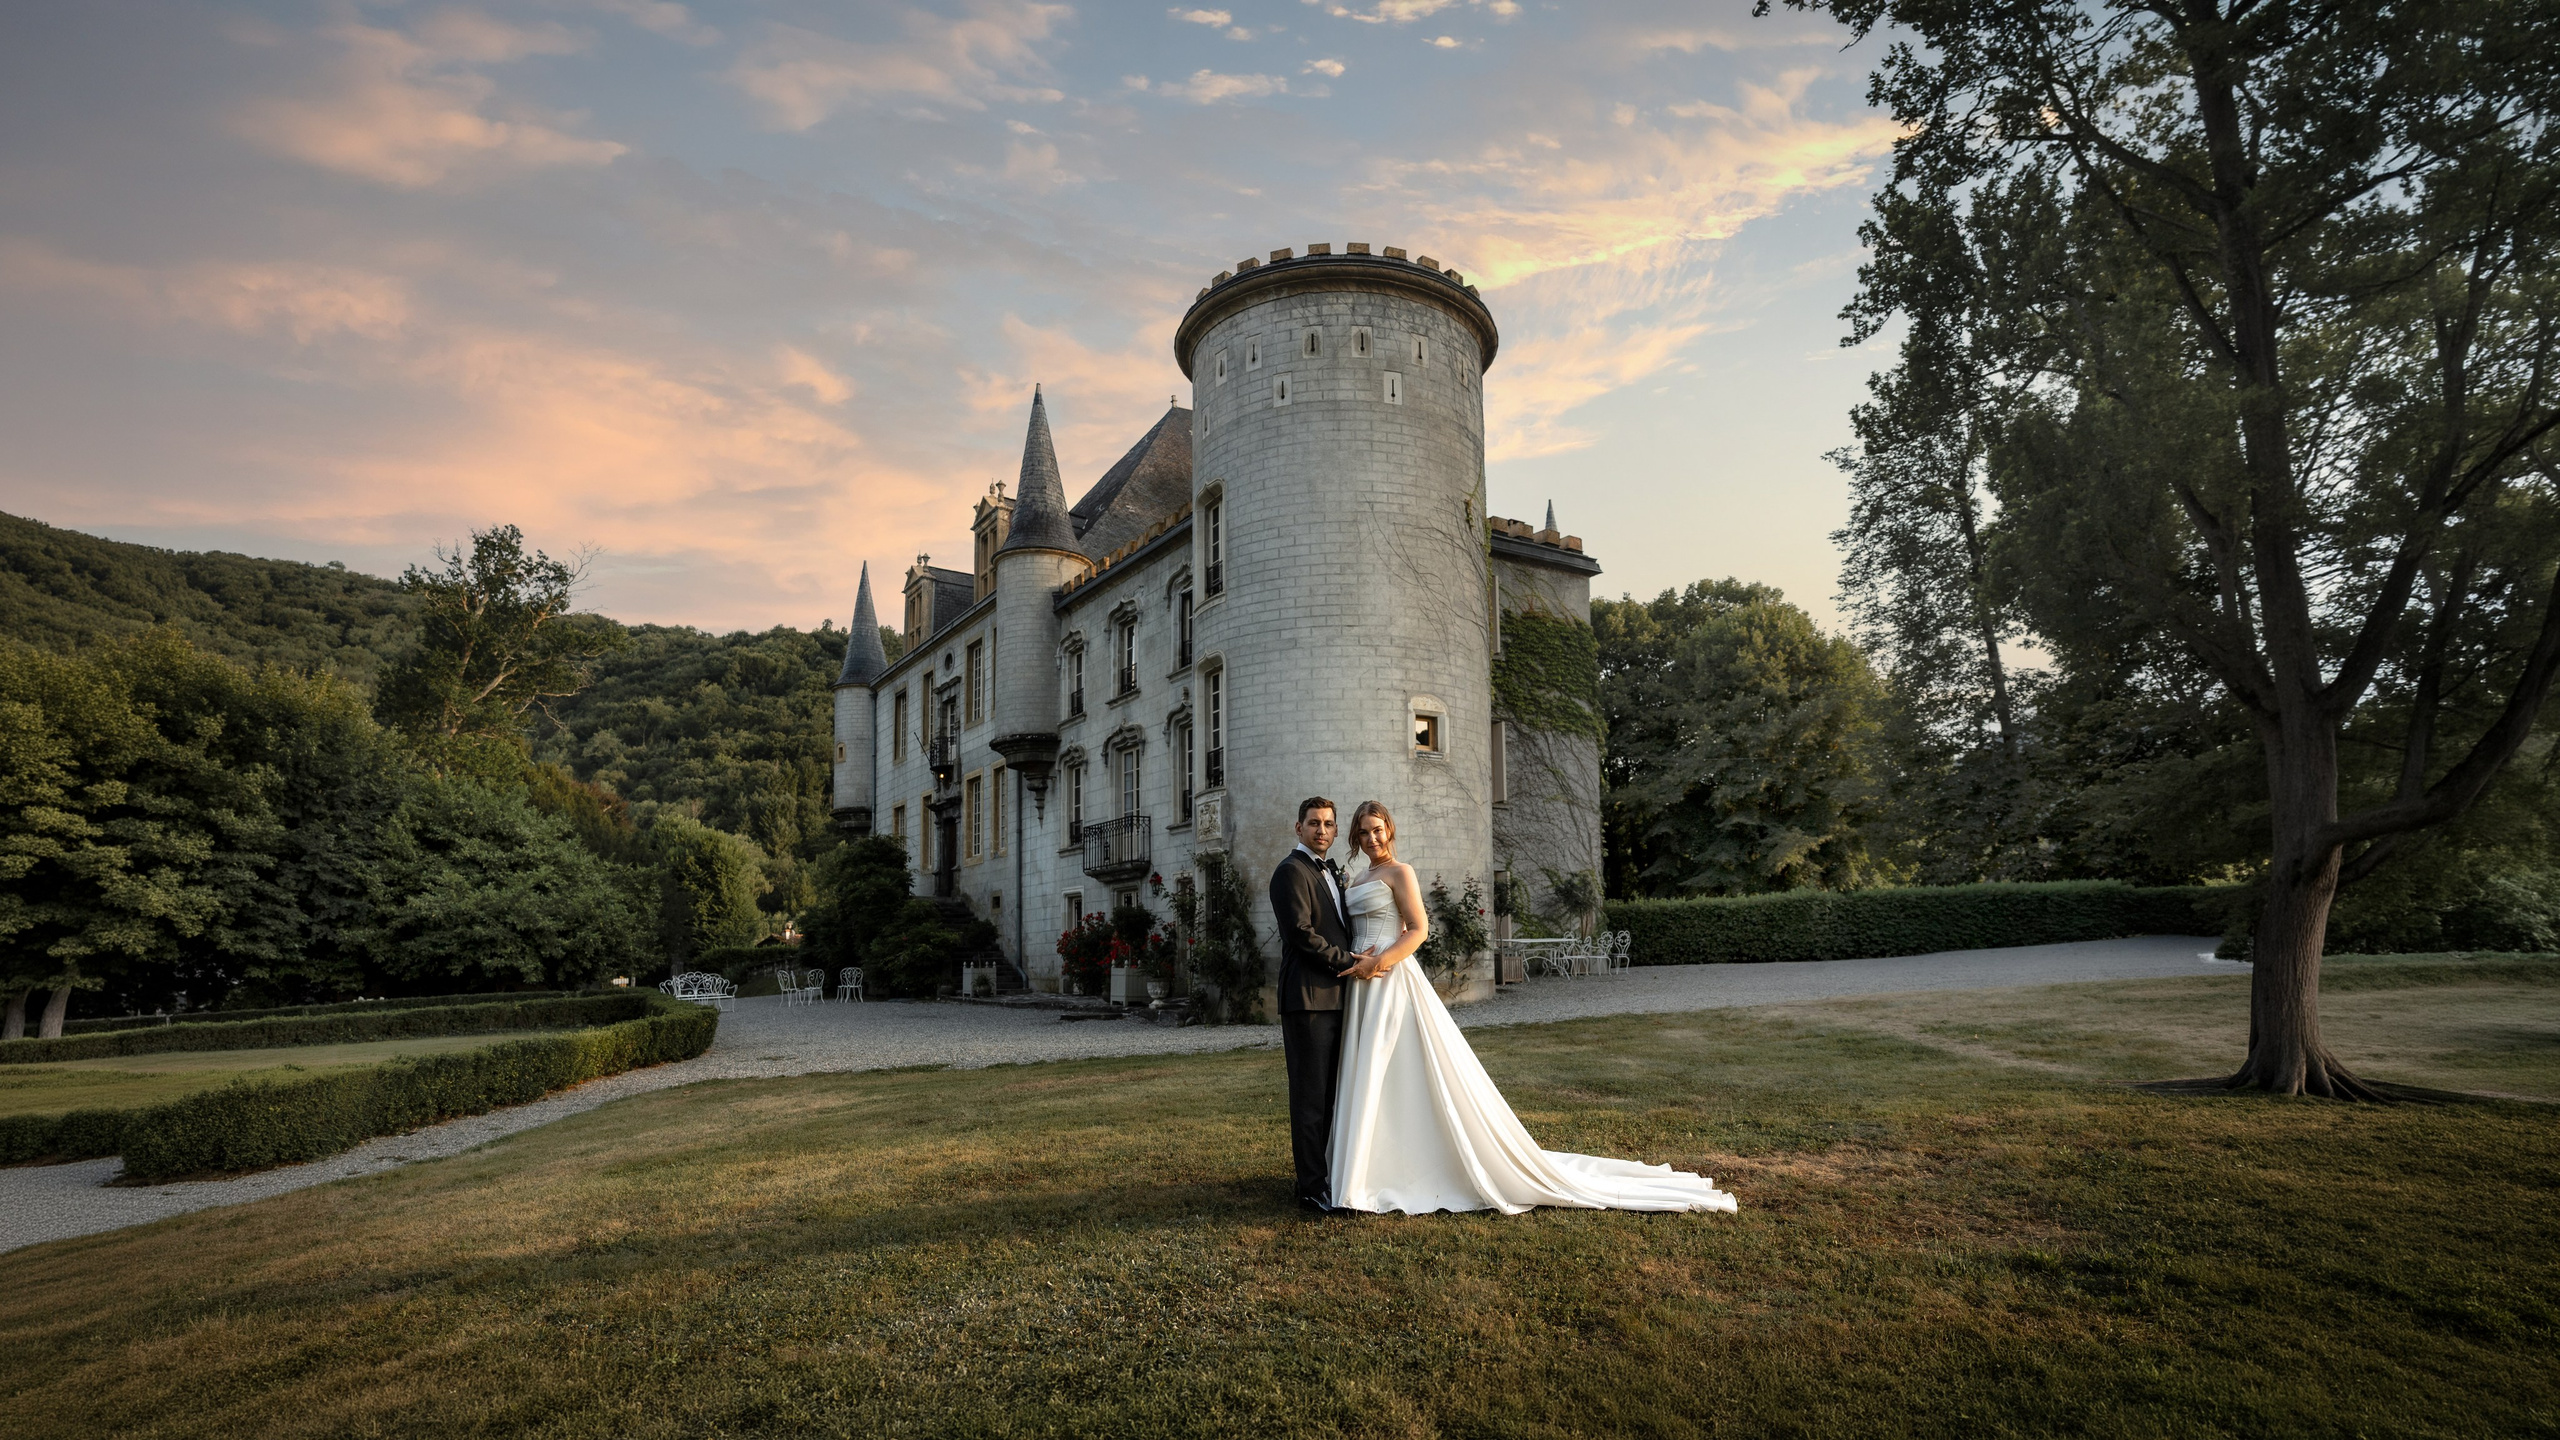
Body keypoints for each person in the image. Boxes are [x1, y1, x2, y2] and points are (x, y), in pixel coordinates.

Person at [1326, 799, 1739, 1215]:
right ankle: (1368, 1166)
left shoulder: (1401, 872)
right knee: (1371, 1069)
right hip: (1361, 985)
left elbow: (1419, 930)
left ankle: (1400, 1169)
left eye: (1378, 829)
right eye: (1364, 832)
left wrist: (1380, 961)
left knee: (1397, 1066)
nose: (1372, 838)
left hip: (1389, 978)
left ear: (1390, 830)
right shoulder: (1362, 875)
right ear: (1356, 838)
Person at [1268, 796, 1359, 1215]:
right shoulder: (1290, 872)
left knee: (1333, 1095)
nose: (1321, 830)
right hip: (1307, 999)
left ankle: (1329, 1176)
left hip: (1337, 998)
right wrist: (1351, 964)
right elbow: (1302, 936)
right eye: (1313, 823)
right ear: (1298, 827)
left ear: (1336, 830)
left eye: (1328, 824)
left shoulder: (1331, 871)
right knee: (1310, 1098)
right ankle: (1310, 1189)